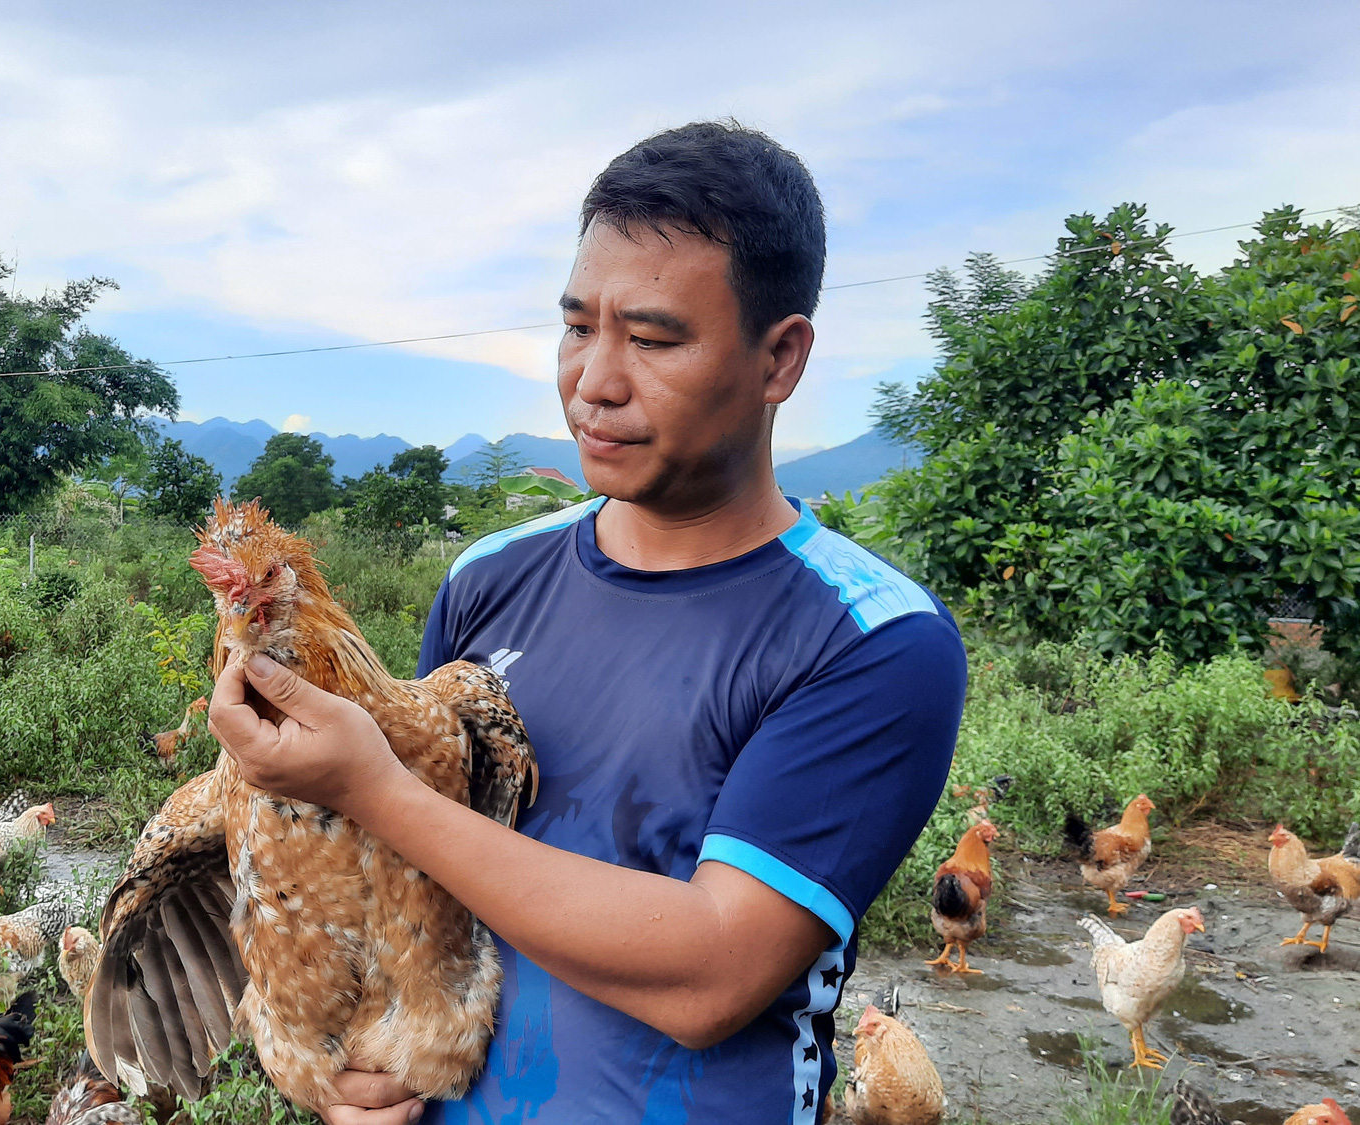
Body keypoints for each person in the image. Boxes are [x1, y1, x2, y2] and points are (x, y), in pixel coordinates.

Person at [207, 121, 967, 1124]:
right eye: (576, 328)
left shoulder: (867, 641)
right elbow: (430, 879)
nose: (593, 381)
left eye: (652, 339)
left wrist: (372, 788)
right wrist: (365, 1063)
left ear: (778, 358)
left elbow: (713, 973)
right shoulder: (488, 577)